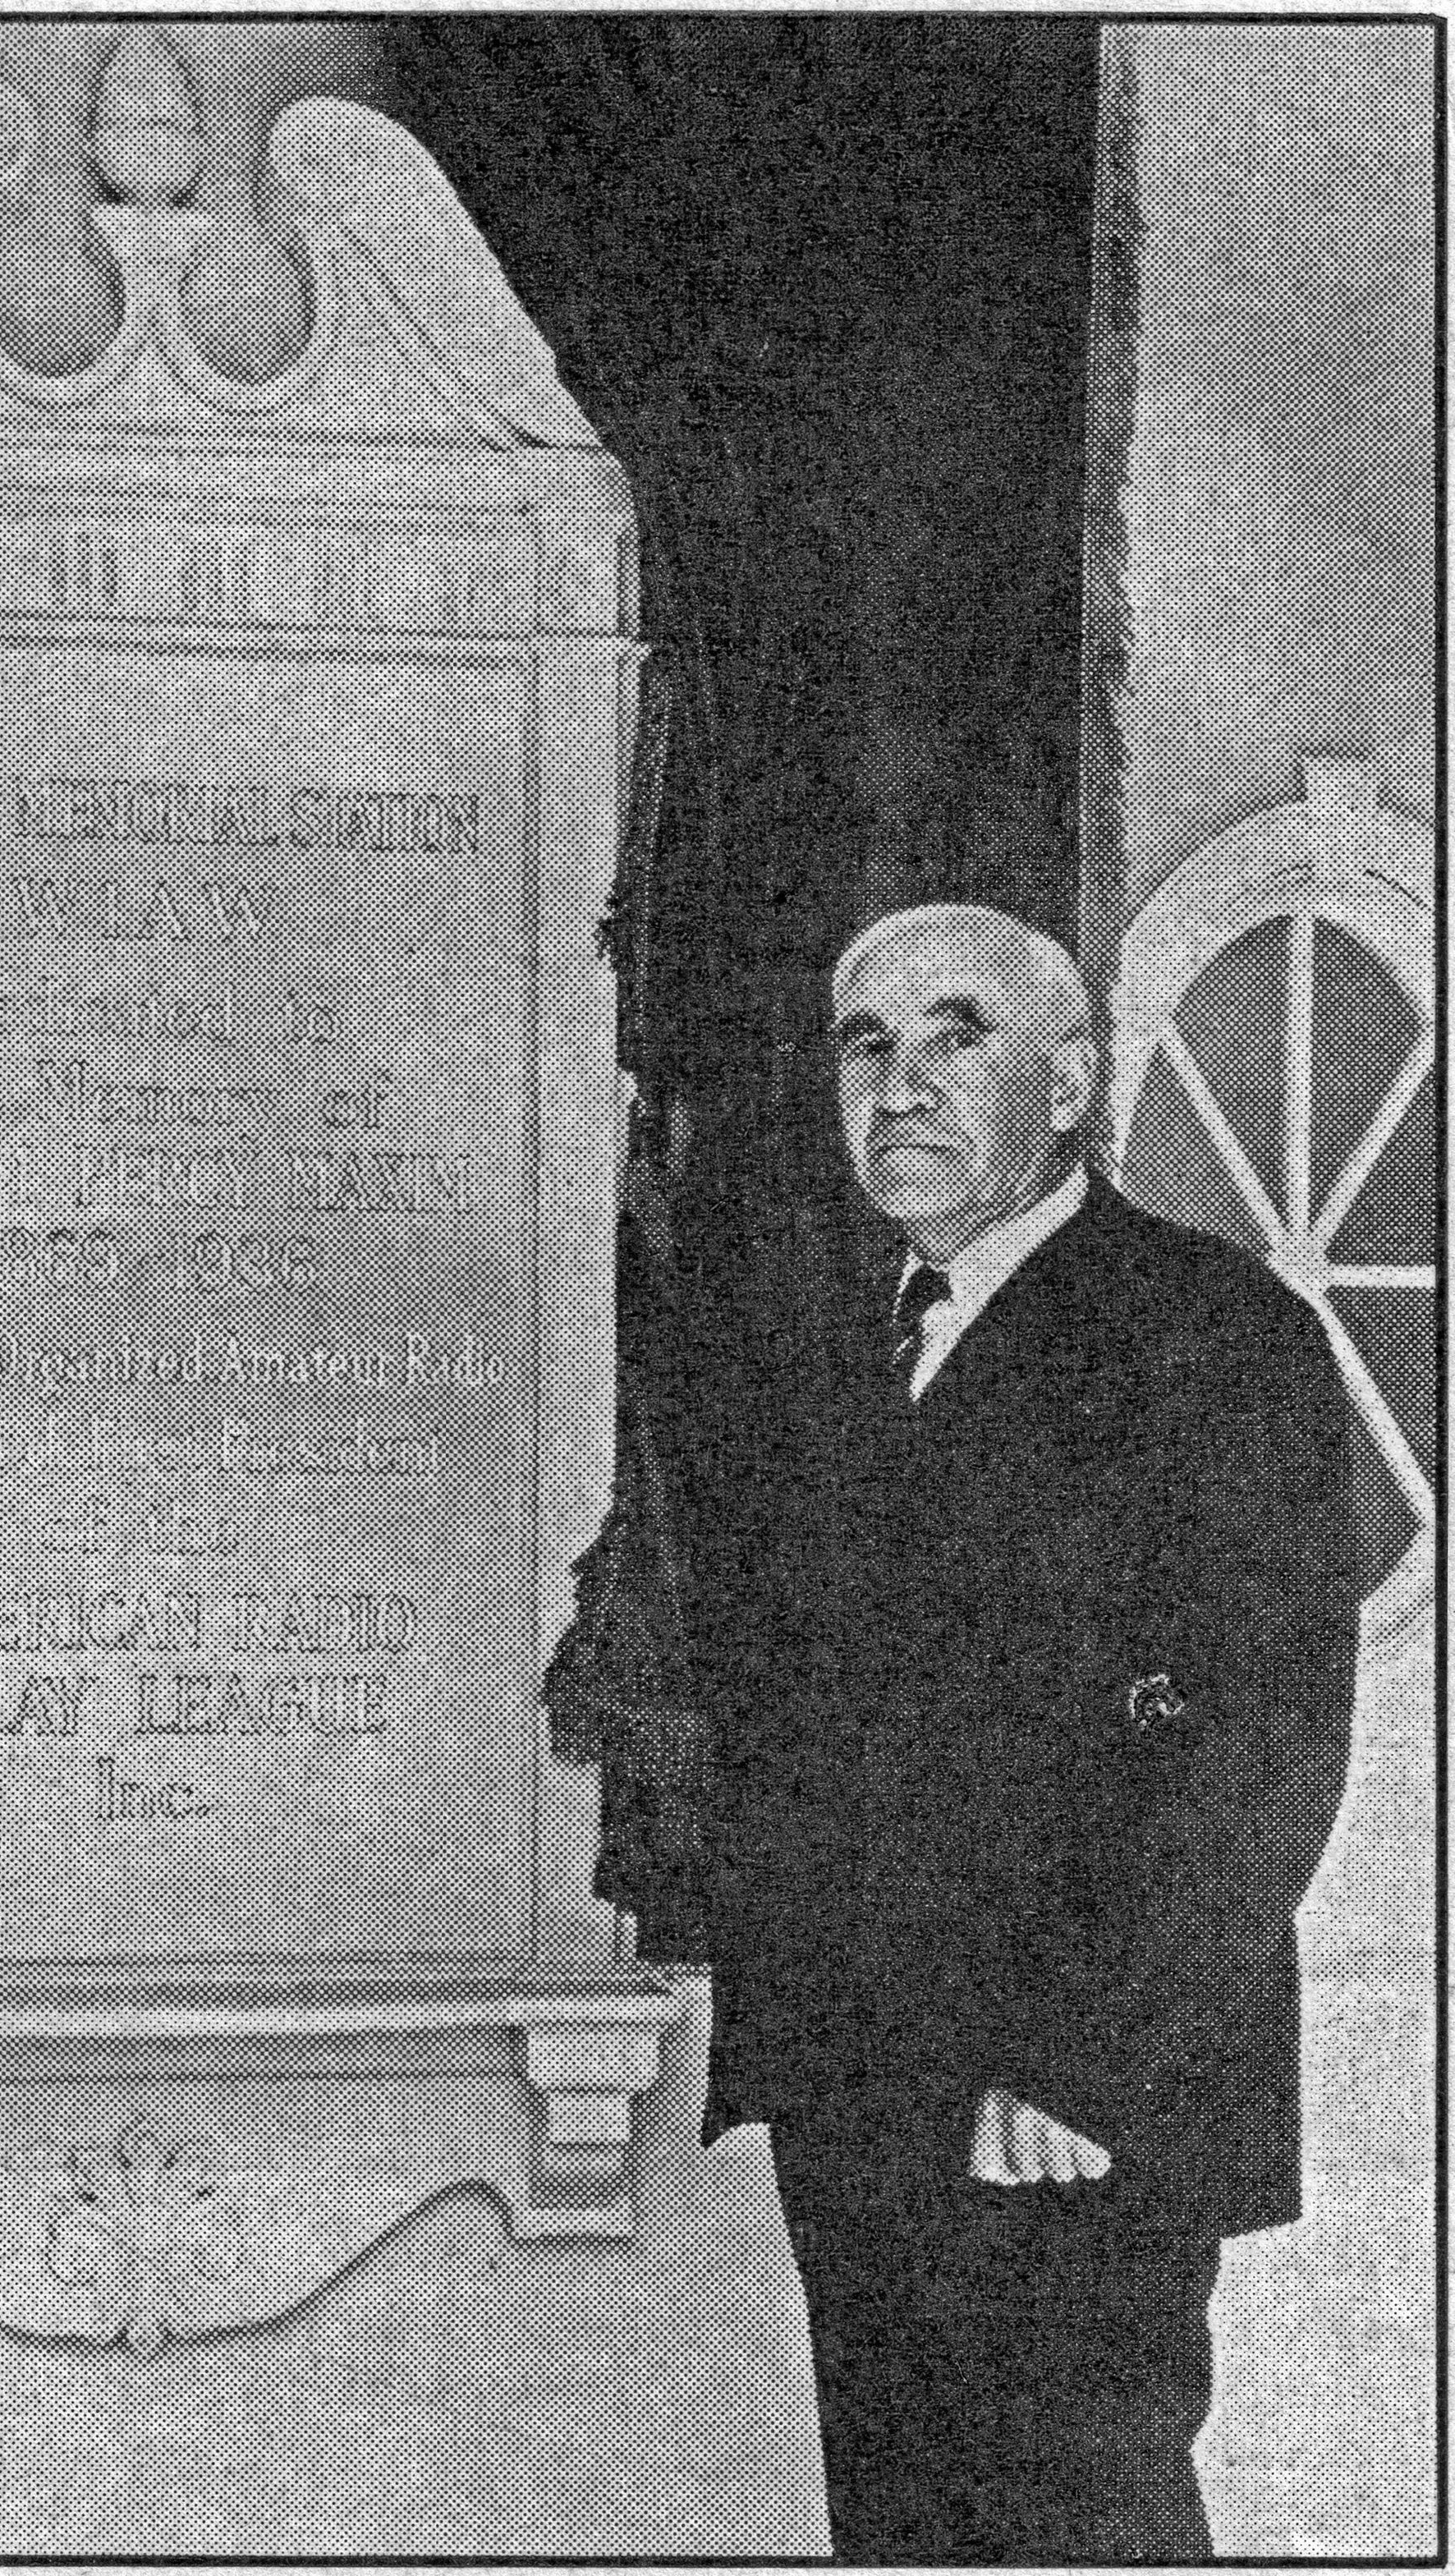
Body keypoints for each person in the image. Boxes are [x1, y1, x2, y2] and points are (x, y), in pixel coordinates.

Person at [689, 902, 1359, 2563]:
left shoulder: (1213, 1336)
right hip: (863, 2092)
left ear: (1066, 1088)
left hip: (1071, 2110)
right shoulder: (832, 1358)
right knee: (902, 2534)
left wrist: (1085, 2062)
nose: (901, 1085)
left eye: (956, 1036)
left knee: (1079, 2528)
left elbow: (1263, 1751)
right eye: (867, 1046)